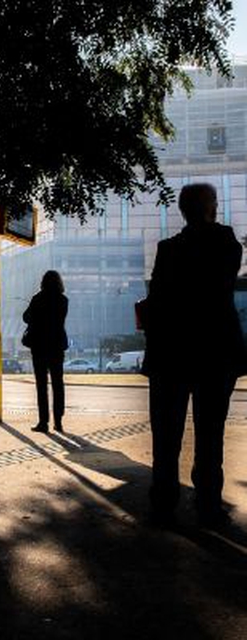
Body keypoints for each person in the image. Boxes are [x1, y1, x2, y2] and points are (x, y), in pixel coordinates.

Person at [142, 183, 247, 528]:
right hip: (215, 353)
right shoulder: (225, 242)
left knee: (166, 433)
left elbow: (157, 298)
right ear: (209, 208)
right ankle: (207, 506)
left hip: (171, 353)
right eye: (214, 203)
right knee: (210, 432)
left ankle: (163, 503)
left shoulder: (168, 249)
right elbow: (224, 280)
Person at [23, 270, 69, 433]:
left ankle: (43, 422)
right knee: (58, 383)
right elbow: (60, 320)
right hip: (56, 346)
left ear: (43, 282)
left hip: (40, 347)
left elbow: (26, 317)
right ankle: (58, 421)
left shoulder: (38, 298)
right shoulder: (63, 300)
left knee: (41, 385)